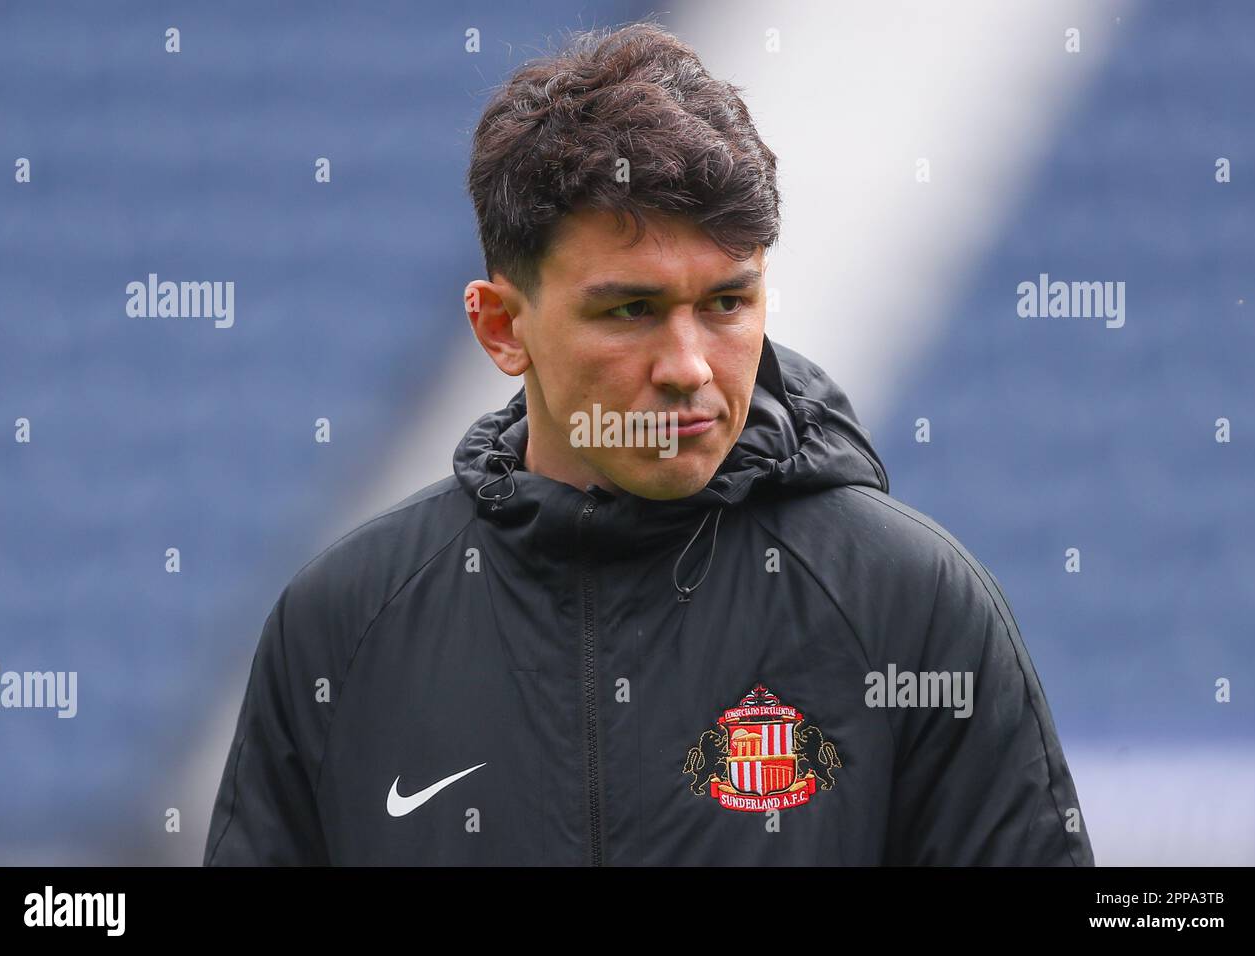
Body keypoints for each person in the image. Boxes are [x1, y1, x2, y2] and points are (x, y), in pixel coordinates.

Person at [203, 21, 1094, 866]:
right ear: (501, 327)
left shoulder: (912, 606)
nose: (689, 367)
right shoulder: (342, 627)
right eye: (631, 310)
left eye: (727, 304)